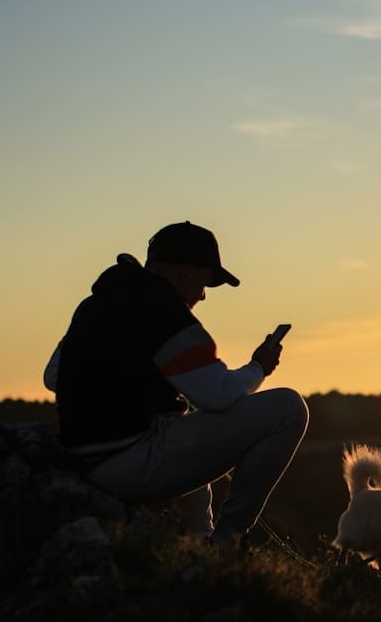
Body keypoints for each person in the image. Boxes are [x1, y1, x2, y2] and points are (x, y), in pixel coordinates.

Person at [43, 220, 309, 549]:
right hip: (128, 465)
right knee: (288, 408)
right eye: (207, 282)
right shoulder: (165, 313)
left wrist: (131, 388)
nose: (203, 295)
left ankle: (199, 546)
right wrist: (259, 367)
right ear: (186, 273)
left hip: (84, 459)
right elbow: (219, 395)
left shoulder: (95, 306)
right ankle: (229, 544)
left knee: (178, 425)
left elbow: (53, 376)